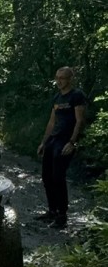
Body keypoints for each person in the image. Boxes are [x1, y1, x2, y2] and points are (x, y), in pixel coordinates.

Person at [36, 66, 86, 229]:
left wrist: (72, 142)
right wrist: (44, 142)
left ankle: (62, 215)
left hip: (65, 142)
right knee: (46, 177)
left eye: (62, 78)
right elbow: (52, 122)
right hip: (53, 140)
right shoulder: (57, 98)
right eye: (57, 77)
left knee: (58, 177)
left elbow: (79, 120)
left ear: (70, 79)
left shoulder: (76, 96)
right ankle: (52, 211)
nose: (59, 81)